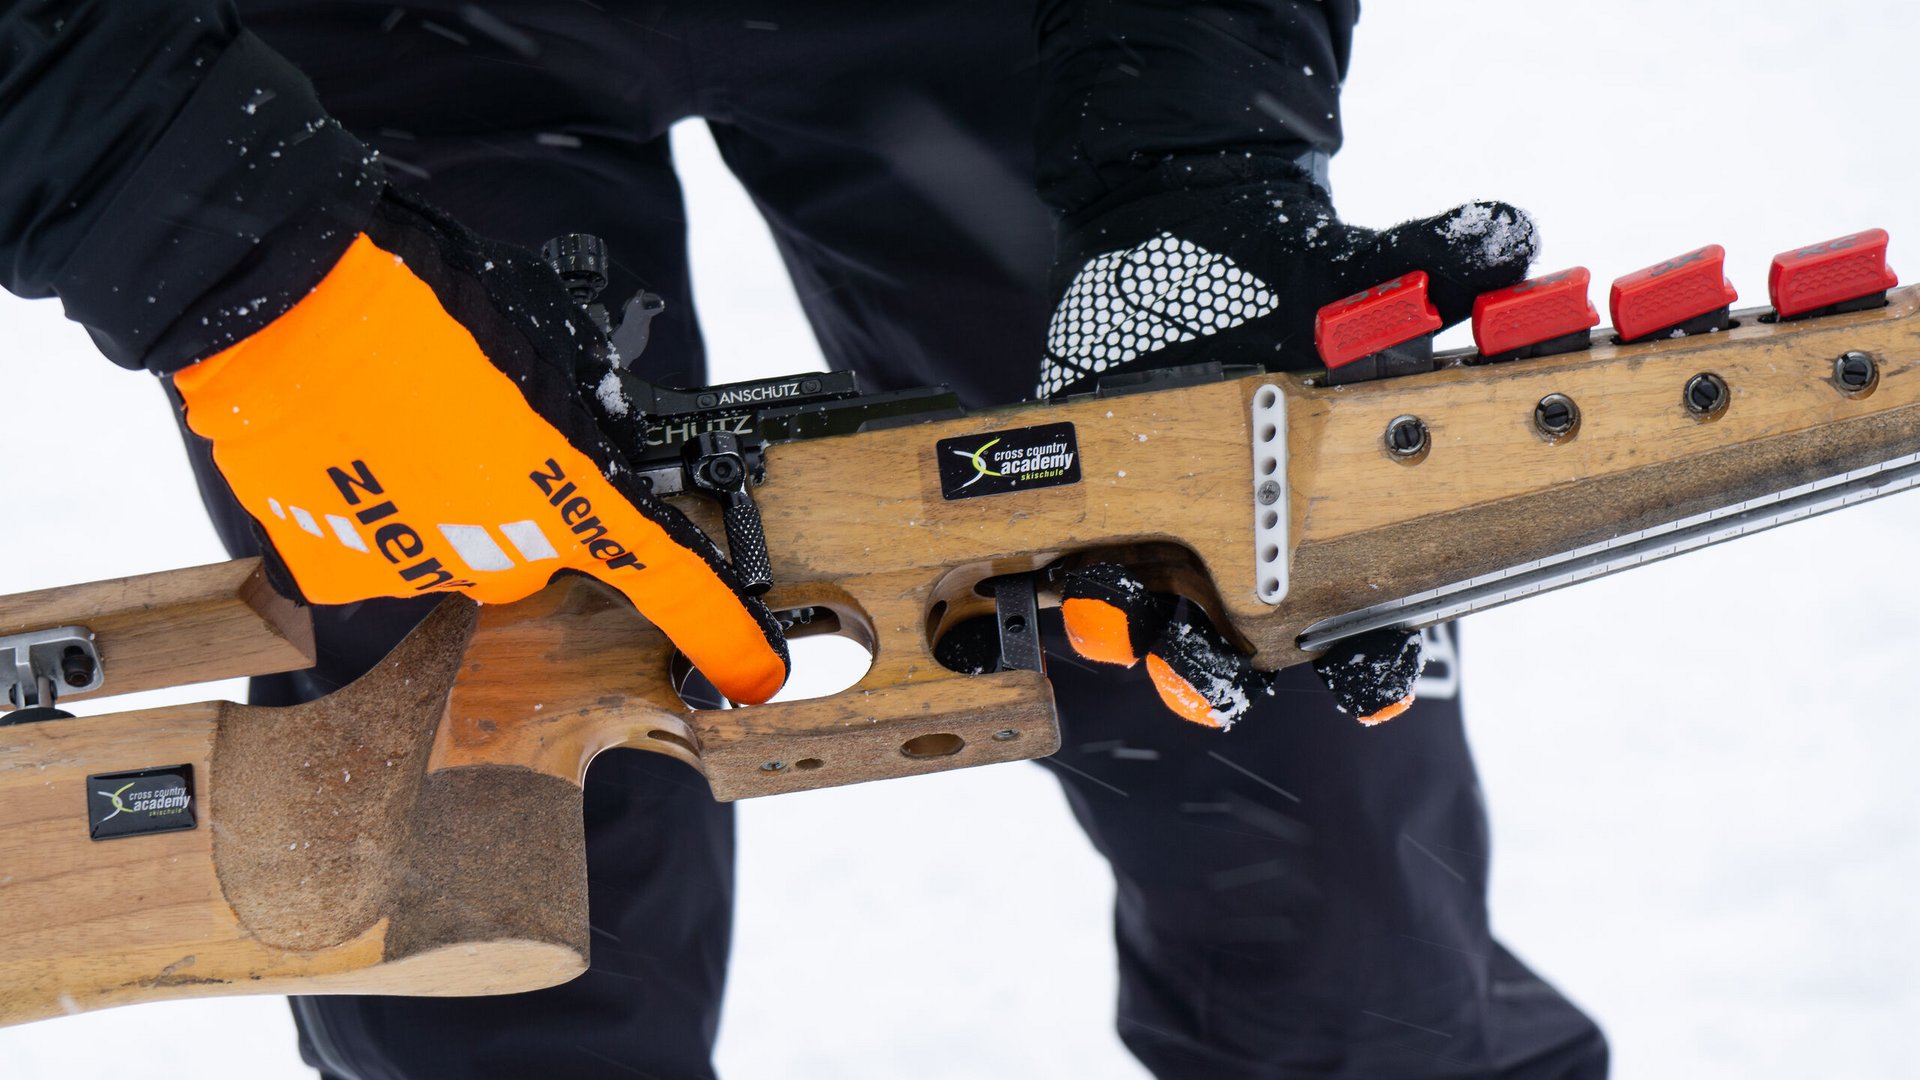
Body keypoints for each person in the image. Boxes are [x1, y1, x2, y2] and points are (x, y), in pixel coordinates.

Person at [0, 1, 1608, 1076]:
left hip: (993, 31)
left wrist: (1193, 153)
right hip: (350, 55)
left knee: (1258, 677)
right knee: (481, 797)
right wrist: (237, 258)